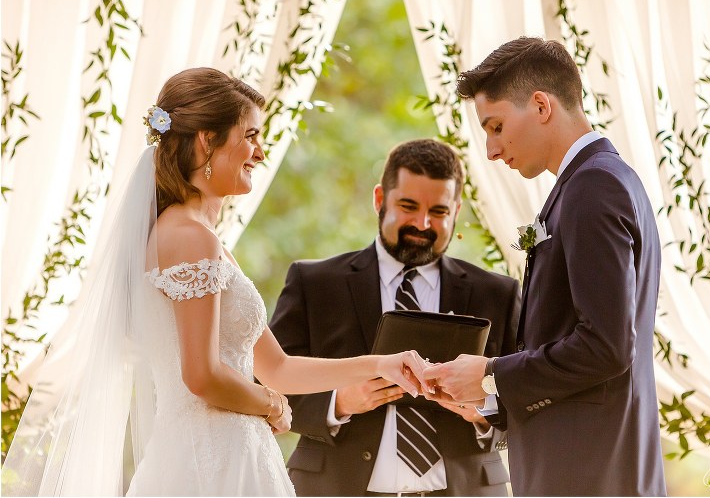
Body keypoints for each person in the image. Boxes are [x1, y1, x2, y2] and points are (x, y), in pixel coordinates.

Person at [1, 68, 429, 497]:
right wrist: (269, 404)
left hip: (232, 457)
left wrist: (380, 363)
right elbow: (201, 376)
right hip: (206, 467)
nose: (260, 152)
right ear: (208, 140)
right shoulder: (188, 237)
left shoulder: (203, 240)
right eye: (251, 135)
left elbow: (277, 367)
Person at [421, 37, 667, 496]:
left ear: (540, 105)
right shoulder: (602, 180)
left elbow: (607, 347)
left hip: (590, 474)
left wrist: (491, 371)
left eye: (495, 126)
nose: (491, 150)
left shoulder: (593, 186)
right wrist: (492, 401)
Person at [269, 138, 522, 496]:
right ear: (379, 199)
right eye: (408, 206)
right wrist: (339, 402)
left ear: (457, 210)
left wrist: (485, 410)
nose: (422, 223)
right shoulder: (314, 283)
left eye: (438, 211)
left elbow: (528, 395)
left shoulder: (498, 293)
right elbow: (269, 382)